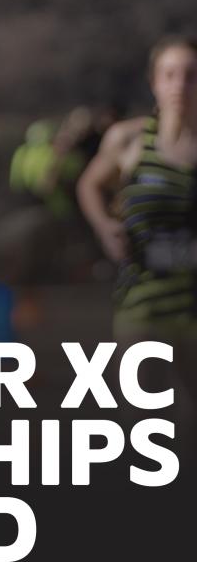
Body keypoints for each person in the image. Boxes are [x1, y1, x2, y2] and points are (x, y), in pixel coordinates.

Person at [77, 35, 197, 435]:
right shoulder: (130, 140)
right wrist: (105, 226)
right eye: (170, 74)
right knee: (145, 421)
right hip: (142, 300)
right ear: (154, 82)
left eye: (191, 75)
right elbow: (89, 184)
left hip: (193, 304)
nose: (180, 85)